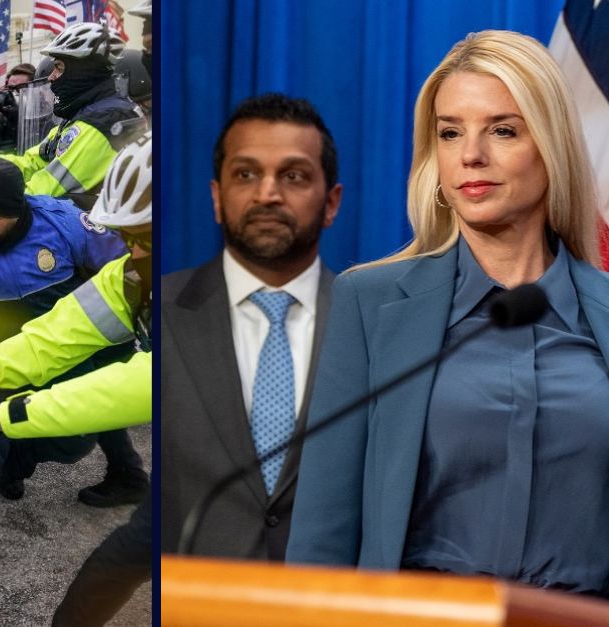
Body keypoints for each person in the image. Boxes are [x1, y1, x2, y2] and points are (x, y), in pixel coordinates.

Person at [287, 32, 609, 597]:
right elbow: (323, 530)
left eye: (503, 130)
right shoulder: (371, 302)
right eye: (450, 132)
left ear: (553, 145)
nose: (470, 155)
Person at [0, 133, 153, 625]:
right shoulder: (133, 274)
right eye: (126, 238)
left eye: (144, 238)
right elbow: (50, 338)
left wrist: (2, 414)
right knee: (106, 577)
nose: (132, 251)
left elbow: (146, 385)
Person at [160, 93, 341, 557]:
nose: (267, 194)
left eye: (294, 176)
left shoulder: (374, 327)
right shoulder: (160, 311)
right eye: (246, 174)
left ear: (331, 202)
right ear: (217, 198)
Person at [0, 22, 143, 208]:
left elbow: (43, 193)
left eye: (58, 68)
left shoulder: (103, 122)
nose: (51, 77)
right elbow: (32, 161)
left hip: (102, 233)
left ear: (82, 73)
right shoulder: (79, 117)